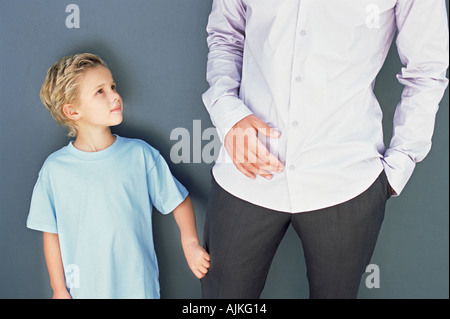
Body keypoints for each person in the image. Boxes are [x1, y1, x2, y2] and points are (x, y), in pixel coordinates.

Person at [201, 0, 449, 298]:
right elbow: (225, 35)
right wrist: (228, 112)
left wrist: (400, 165)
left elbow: (427, 70)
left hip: (346, 180)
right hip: (244, 173)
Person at [26, 53, 210, 299]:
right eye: (100, 91)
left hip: (139, 287)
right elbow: (51, 232)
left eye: (113, 86)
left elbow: (178, 200)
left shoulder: (140, 154)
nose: (115, 96)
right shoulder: (55, 169)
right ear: (72, 111)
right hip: (85, 292)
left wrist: (190, 244)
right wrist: (58, 289)